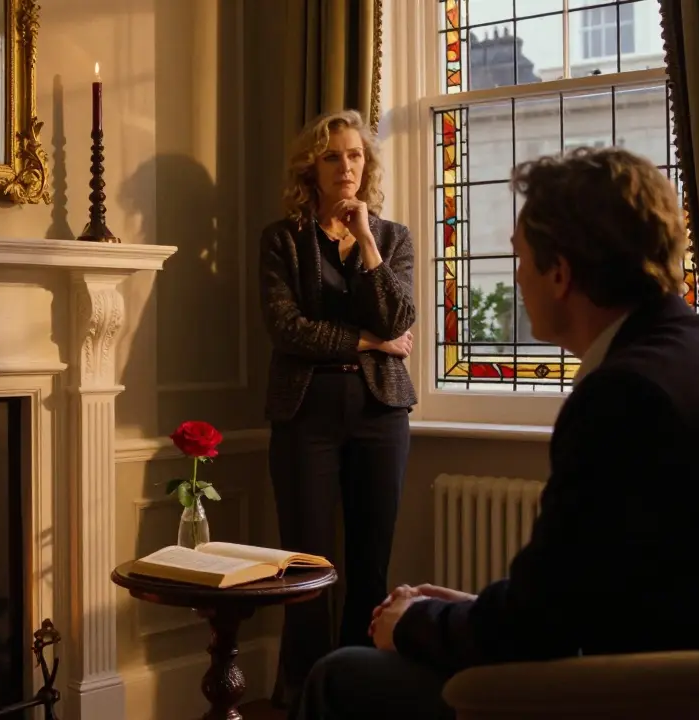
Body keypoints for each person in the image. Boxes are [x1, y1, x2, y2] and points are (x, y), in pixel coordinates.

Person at [294, 146, 699, 719]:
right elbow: (591, 590)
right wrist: (474, 609)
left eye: (520, 257)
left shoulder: (626, 396)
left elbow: (536, 632)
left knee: (340, 677)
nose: (517, 277)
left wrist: (415, 623)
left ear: (560, 273)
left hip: (674, 693)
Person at [258, 108, 417, 708]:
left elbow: (397, 317)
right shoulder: (282, 240)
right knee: (304, 570)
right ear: (312, 168)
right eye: (333, 157)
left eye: (355, 156)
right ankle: (303, 696)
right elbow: (287, 328)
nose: (346, 166)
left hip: (382, 414)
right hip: (307, 415)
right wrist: (368, 342)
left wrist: (368, 241)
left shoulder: (393, 237)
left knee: (370, 568)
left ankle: (356, 695)